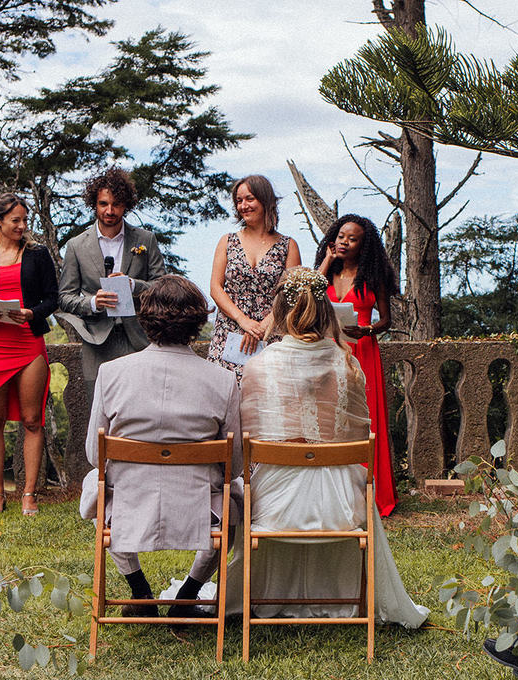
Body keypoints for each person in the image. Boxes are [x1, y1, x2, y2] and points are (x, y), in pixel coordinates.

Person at [222, 268, 428, 627]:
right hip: (341, 510)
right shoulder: (348, 365)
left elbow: (247, 446)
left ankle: (267, 596)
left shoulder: (258, 367)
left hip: (274, 510)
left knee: (252, 486)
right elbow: (357, 437)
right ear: (326, 312)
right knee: (352, 478)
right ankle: (345, 596)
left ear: (280, 311)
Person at [78, 276, 242, 615]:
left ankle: (140, 592)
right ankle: (188, 594)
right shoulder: (223, 381)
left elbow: (96, 455)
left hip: (127, 504)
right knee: (235, 494)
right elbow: (235, 465)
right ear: (198, 322)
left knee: (95, 492)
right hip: (200, 510)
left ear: (145, 319)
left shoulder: (111, 373)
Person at [0, 193, 59, 516]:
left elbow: (52, 299)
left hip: (28, 343)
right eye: (15, 220)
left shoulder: (38, 254)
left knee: (32, 419)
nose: (21, 226)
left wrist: (32, 313)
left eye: (24, 220)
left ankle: (29, 493)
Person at [316, 214, 400, 516]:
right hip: (329, 350)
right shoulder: (326, 274)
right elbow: (307, 296)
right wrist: (326, 261)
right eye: (340, 236)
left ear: (363, 246)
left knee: (366, 420)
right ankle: (335, 492)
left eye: (351, 239)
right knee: (330, 418)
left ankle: (373, 493)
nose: (344, 242)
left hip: (362, 350)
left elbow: (386, 321)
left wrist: (366, 330)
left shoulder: (372, 277)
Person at [57, 166, 166, 385]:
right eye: (103, 204)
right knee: (98, 408)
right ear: (94, 205)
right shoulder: (77, 245)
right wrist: (94, 302)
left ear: (126, 205)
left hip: (139, 337)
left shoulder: (145, 239)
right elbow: (65, 297)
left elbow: (162, 287)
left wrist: (133, 285)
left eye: (116, 204)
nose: (109, 211)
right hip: (96, 339)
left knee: (139, 405)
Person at [206, 174, 302, 383]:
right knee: (226, 398)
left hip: (271, 334)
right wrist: (243, 320)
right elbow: (215, 287)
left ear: (265, 200)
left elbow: (291, 293)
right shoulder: (227, 241)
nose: (243, 206)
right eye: (239, 201)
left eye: (249, 199)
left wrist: (262, 326)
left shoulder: (288, 245)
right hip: (229, 333)